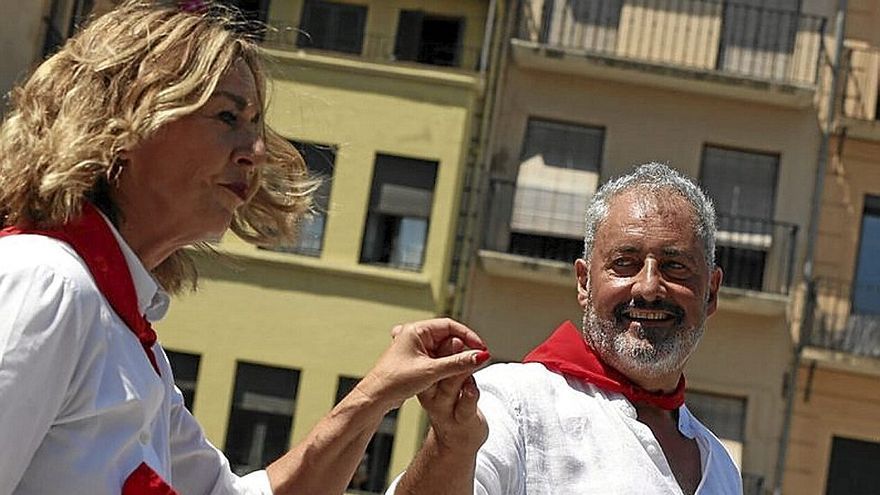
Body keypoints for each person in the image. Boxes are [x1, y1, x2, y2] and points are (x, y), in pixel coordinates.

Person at [0, 2, 489, 494]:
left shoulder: (125, 338)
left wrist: (376, 396)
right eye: (228, 116)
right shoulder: (48, 283)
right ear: (128, 119)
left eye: (255, 126)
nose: (254, 152)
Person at [388, 163, 743, 494]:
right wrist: (451, 446)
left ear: (710, 292)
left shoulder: (722, 467)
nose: (649, 287)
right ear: (584, 283)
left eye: (675, 266)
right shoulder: (514, 403)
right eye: (624, 264)